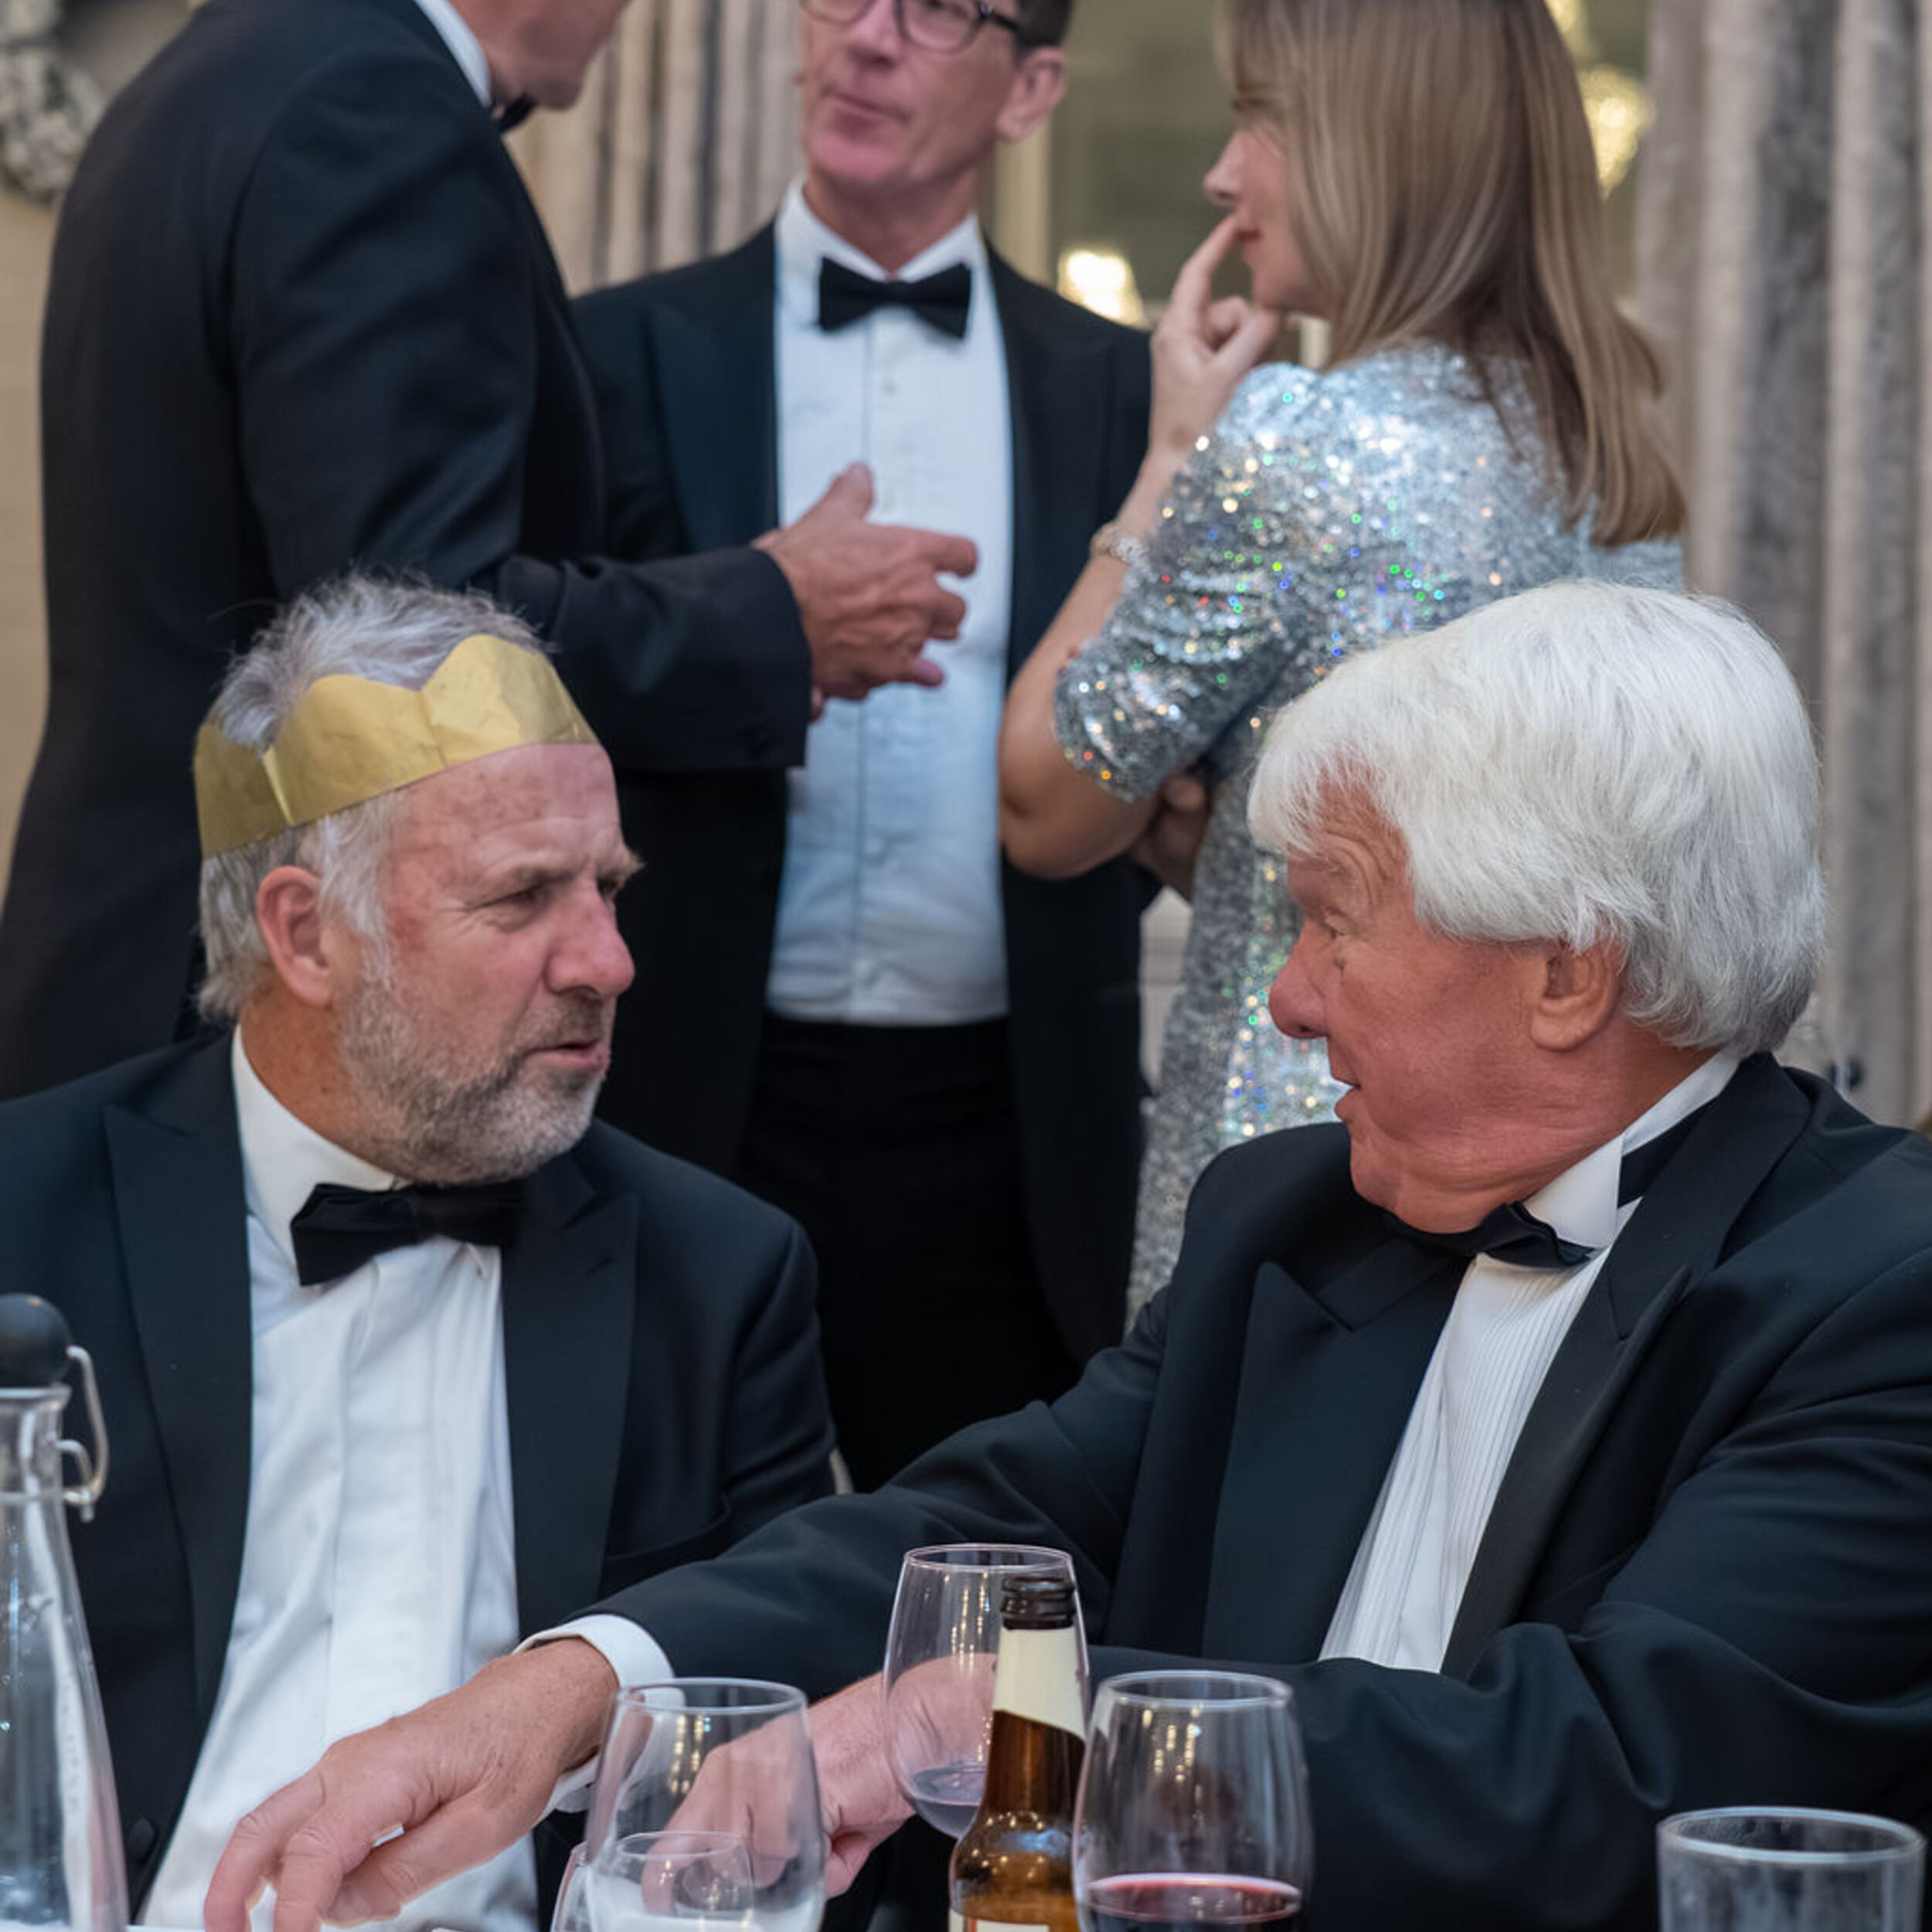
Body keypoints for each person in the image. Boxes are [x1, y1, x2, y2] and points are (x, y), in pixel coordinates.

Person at [207, 583, 1932, 1932]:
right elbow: (994, 1523)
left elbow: (1621, 1772)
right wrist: (569, 1689)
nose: (1285, 998)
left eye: (1332, 918)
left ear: (1567, 972)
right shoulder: (1295, 1220)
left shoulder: (1874, 1288)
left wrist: (1013, 1727)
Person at [0, 578, 835, 1932]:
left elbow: (782, 1746)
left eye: (609, 889)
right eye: (523, 898)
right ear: (304, 934)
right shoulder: (24, 1222)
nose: (609, 961)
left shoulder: (719, 1279)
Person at [0, 0, 975, 1103]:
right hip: (251, 1000)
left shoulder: (231, 64)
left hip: (133, 960)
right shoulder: (373, 108)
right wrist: (770, 618)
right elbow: (407, 645)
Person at [998, 0, 1686, 1318]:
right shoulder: (1611, 467)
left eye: (1256, 121)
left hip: (1300, 1188)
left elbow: (1045, 803)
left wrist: (1171, 458)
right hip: (1549, 1188)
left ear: (1371, 147)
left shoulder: (1297, 447)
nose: (1223, 176)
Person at [571, 0, 1153, 1483]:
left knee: (993, 1578)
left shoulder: (1120, 386)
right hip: (690, 1092)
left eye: (937, 11)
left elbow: (1154, 732)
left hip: (1010, 1123)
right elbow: (542, 679)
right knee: (661, 1558)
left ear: (1032, 90)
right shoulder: (616, 348)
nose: (870, 39)